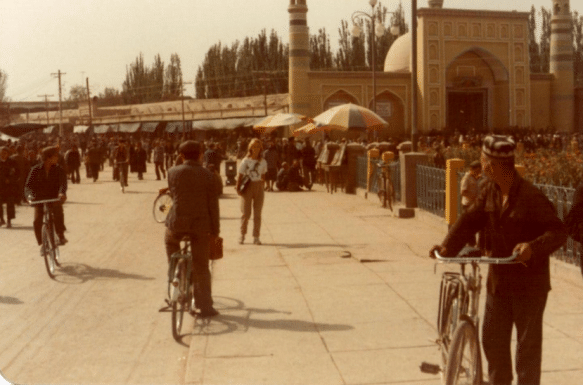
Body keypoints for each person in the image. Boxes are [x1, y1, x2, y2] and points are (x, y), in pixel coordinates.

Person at [430, 135, 567, 385]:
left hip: (530, 286)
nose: (481, 164)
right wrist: (446, 247)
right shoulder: (488, 191)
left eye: (483, 160)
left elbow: (558, 232)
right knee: (492, 341)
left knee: (527, 351)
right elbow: (470, 221)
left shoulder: (530, 196)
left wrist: (532, 247)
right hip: (500, 282)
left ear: (492, 164)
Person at [165, 141, 220, 318]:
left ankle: (176, 270)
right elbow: (213, 205)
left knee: (170, 241)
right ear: (200, 155)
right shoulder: (208, 174)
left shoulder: (172, 172)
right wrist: (215, 230)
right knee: (202, 265)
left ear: (181, 156)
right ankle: (205, 307)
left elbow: (174, 196)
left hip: (177, 224)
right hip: (200, 226)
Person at [25, 146, 68, 251]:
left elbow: (63, 183)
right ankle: (42, 243)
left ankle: (60, 235)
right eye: (55, 156)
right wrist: (29, 196)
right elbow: (28, 186)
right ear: (48, 158)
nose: (57, 158)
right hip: (39, 199)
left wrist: (61, 193)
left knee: (58, 213)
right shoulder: (35, 170)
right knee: (37, 221)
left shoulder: (59, 169)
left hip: (54, 198)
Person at [236, 138, 267, 245]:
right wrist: (238, 187)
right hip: (248, 186)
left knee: (257, 214)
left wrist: (262, 186)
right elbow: (240, 174)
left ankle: (256, 236)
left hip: (258, 186)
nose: (256, 149)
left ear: (261, 149)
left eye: (258, 147)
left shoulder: (263, 161)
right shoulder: (246, 161)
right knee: (246, 213)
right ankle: (242, 235)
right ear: (250, 148)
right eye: (254, 147)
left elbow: (263, 175)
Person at [459, 160, 482, 246]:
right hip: (468, 204)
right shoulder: (467, 178)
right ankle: (470, 243)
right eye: (477, 170)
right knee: (469, 225)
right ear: (472, 169)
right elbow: (463, 192)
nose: (479, 172)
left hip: (475, 204)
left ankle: (477, 244)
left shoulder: (477, 177)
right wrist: (474, 198)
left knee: (476, 224)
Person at [0, 147, 19, 228]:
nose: (3, 154)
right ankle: (1, 219)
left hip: (9, 186)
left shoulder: (12, 161)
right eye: (2, 153)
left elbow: (17, 173)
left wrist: (10, 180)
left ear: (8, 154)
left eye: (5, 153)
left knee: (10, 203)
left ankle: (9, 220)